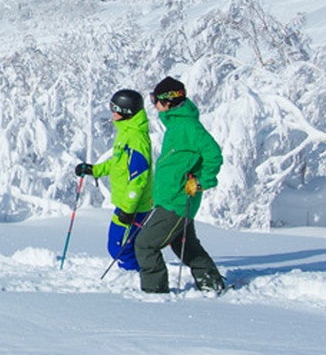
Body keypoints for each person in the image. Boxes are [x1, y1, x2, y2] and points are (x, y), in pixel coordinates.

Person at [133, 76, 226, 293]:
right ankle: (212, 284)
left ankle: (155, 293)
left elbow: (213, 153)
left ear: (168, 101)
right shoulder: (176, 125)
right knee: (185, 246)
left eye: (155, 99)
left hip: (177, 200)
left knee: (145, 244)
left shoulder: (187, 126)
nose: (153, 103)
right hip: (170, 198)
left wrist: (202, 181)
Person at [74, 89, 153, 271]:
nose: (112, 114)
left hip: (134, 206)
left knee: (119, 248)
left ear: (126, 112)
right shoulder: (126, 132)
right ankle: (139, 273)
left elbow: (139, 177)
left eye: (115, 109)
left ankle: (138, 276)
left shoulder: (136, 138)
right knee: (121, 246)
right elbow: (117, 163)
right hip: (126, 203)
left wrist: (128, 208)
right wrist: (94, 170)